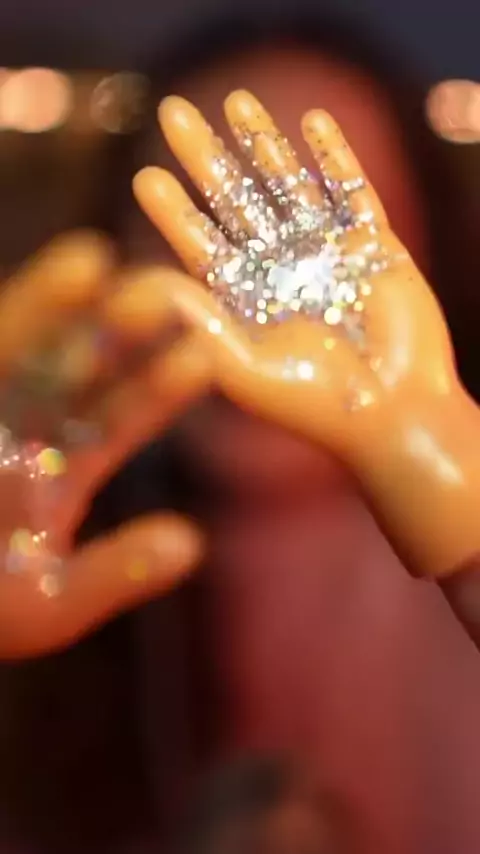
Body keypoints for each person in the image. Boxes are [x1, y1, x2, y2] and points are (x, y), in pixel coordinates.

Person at [2, 11, 480, 854]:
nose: (252, 310)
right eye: (201, 229)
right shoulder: (54, 620)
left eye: (314, 233)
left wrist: (454, 490)